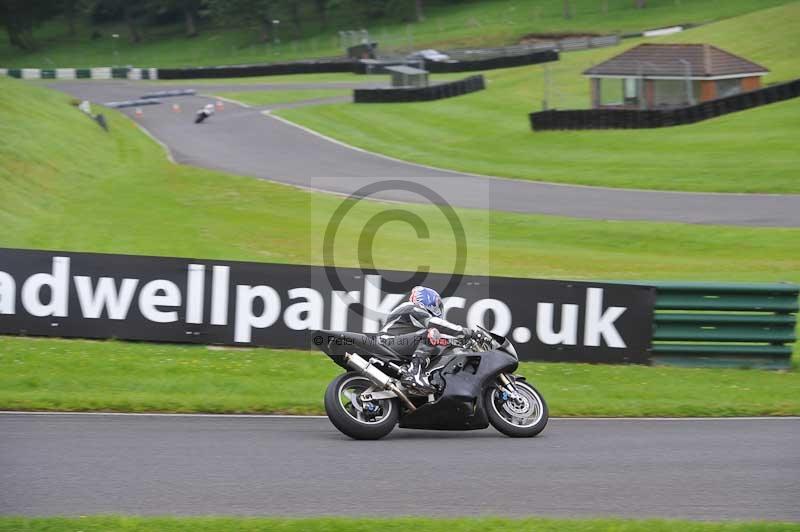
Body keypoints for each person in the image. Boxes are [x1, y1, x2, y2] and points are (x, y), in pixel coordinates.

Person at [379, 286, 488, 393]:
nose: (438, 309)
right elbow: (434, 324)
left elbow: (440, 339)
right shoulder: (411, 307)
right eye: (437, 305)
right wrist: (469, 333)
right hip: (387, 343)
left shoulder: (416, 321)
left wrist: (458, 342)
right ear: (427, 299)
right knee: (432, 333)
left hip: (397, 346)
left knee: (436, 346)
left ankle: (423, 378)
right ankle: (413, 373)